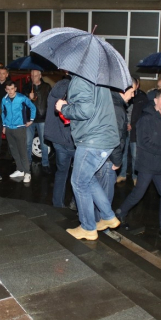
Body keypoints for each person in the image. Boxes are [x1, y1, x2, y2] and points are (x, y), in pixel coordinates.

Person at [56, 75, 120, 241]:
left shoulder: (80, 80)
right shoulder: (99, 79)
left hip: (92, 140)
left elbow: (85, 110)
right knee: (87, 179)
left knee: (78, 182)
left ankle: (87, 227)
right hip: (104, 138)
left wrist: (64, 108)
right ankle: (108, 216)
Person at [115, 88, 161, 242]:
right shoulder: (146, 118)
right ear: (156, 101)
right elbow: (144, 143)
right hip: (147, 164)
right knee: (138, 194)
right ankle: (119, 213)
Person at [95, 81, 137, 222]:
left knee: (97, 192)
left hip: (99, 154)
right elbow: (116, 138)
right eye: (131, 92)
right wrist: (117, 161)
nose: (133, 96)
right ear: (122, 91)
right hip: (108, 158)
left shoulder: (106, 100)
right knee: (105, 197)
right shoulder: (118, 108)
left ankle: (95, 222)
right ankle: (103, 226)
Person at [44, 73, 75, 208]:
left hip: (56, 139)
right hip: (70, 139)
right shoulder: (73, 90)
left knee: (61, 172)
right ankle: (76, 203)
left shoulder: (54, 89)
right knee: (78, 175)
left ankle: (57, 203)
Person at [1, 80, 36, 183]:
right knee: (14, 151)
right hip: (9, 128)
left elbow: (33, 107)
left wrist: (31, 120)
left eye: (12, 89)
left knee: (22, 151)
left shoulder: (21, 98)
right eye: (8, 89)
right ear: (5, 90)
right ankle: (20, 170)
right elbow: (3, 112)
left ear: (15, 88)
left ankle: (27, 172)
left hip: (20, 127)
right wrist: (4, 125)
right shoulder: (4, 99)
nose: (10, 91)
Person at [117, 77, 148, 185]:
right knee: (123, 153)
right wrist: (125, 124)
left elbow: (144, 115)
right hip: (123, 129)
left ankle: (135, 176)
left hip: (135, 131)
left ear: (137, 84)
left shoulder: (142, 97)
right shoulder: (122, 95)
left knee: (135, 155)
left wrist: (133, 125)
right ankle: (122, 174)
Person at [22, 69, 52, 173]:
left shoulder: (47, 87)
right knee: (28, 143)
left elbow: (50, 102)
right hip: (30, 119)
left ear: (40, 76)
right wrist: (28, 98)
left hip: (42, 118)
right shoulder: (26, 87)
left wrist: (49, 117)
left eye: (35, 75)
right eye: (31, 75)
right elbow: (22, 103)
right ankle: (27, 163)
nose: (33, 77)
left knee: (44, 143)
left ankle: (45, 164)